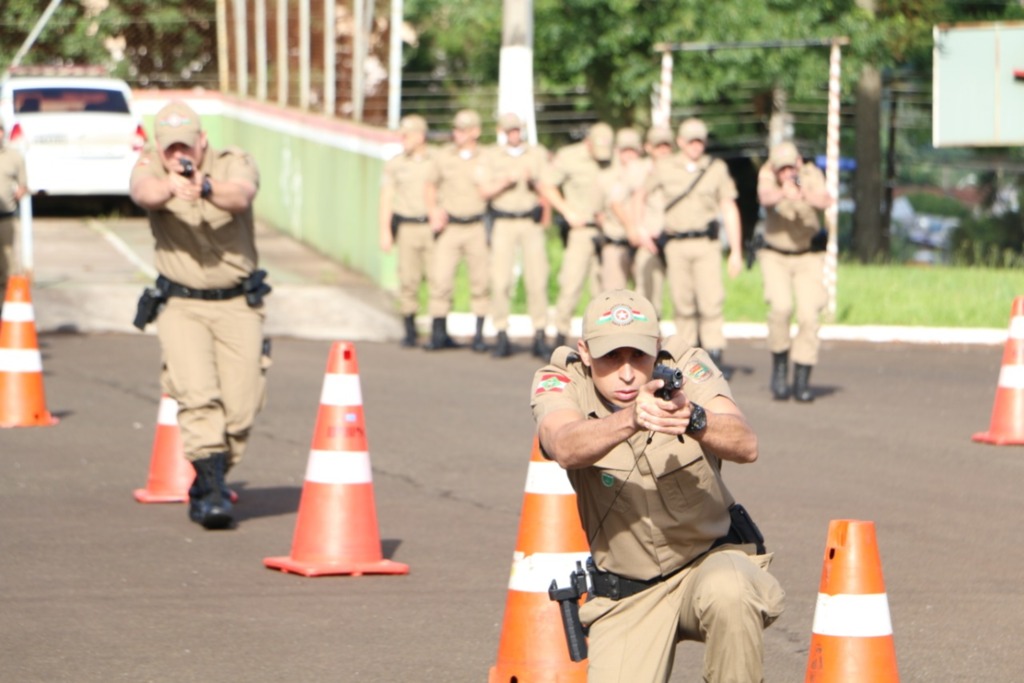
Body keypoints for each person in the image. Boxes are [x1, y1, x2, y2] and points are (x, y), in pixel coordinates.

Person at [531, 288, 784, 683]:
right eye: (611, 357)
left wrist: (695, 418)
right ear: (584, 352)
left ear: (658, 347)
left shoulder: (686, 365)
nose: (628, 372)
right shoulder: (560, 380)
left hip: (707, 564)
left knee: (733, 590)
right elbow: (563, 444)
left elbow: (746, 444)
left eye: (638, 356)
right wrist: (630, 418)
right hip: (628, 593)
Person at [130, 100, 270, 530]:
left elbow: (242, 196)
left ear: (202, 141)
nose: (178, 155)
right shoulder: (150, 166)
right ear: (158, 145)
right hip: (182, 306)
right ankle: (210, 491)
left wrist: (205, 187)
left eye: (185, 146)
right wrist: (171, 186)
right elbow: (143, 193)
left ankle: (211, 473)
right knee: (196, 393)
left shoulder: (232, 163)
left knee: (243, 405)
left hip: (236, 304)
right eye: (170, 147)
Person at [636, 118, 743, 371]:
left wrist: (736, 250)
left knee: (711, 300)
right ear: (680, 142)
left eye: (700, 140)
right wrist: (640, 229)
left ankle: (714, 355)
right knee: (682, 301)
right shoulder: (665, 167)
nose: (697, 145)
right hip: (676, 243)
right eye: (691, 140)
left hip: (707, 243)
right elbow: (641, 195)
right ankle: (688, 358)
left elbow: (729, 207)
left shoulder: (715, 168)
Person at [756, 141, 833, 402]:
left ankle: (802, 379)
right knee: (781, 308)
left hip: (808, 256)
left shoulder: (812, 175)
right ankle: (779, 370)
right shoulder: (767, 173)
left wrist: (803, 194)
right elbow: (764, 197)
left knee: (809, 316)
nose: (787, 172)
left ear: (799, 162)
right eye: (783, 169)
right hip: (775, 254)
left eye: (791, 167)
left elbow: (825, 200)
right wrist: (782, 193)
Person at [480, 112, 551, 359]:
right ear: (502, 131)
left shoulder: (536, 153)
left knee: (537, 279)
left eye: (517, 130)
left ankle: (540, 334)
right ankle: (501, 334)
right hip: (503, 220)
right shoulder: (492, 156)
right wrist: (504, 182)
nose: (514, 134)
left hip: (529, 221)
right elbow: (484, 191)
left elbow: (548, 186)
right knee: (500, 280)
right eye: (509, 130)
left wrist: (537, 190)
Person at [537, 122, 614, 348]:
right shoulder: (569, 157)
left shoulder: (614, 158)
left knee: (603, 290)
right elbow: (546, 184)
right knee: (570, 285)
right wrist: (567, 211)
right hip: (581, 230)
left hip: (607, 231)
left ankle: (602, 342)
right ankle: (560, 337)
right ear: (587, 142)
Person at [424, 109, 490, 352]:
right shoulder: (444, 157)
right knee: (440, 280)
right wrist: (433, 210)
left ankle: (480, 336)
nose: (457, 134)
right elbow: (430, 185)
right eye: (455, 129)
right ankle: (438, 334)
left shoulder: (487, 157)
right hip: (450, 226)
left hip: (476, 225)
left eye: (463, 130)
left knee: (480, 281)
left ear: (476, 132)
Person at [379, 114, 434, 348]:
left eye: (406, 135)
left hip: (432, 229)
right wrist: (384, 230)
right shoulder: (396, 164)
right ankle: (409, 327)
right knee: (408, 279)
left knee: (438, 279)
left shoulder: (437, 160)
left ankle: (438, 329)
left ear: (420, 136)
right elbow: (386, 198)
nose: (402, 139)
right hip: (407, 227)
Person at [595, 128, 646, 291]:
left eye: (633, 150)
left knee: (645, 298)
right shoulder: (605, 177)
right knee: (613, 298)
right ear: (617, 151)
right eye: (625, 150)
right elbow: (599, 212)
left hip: (642, 244)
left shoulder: (648, 173)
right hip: (615, 241)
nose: (629, 155)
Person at [632, 126, 674, 315]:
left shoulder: (678, 169)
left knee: (682, 295)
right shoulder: (637, 169)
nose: (664, 150)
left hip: (674, 237)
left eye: (667, 145)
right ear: (649, 147)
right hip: (649, 240)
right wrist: (638, 230)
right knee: (646, 295)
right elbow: (622, 200)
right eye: (659, 146)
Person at [0, 121, 28, 307]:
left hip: (5, 216)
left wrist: (20, 191)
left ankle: (7, 307)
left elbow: (23, 185)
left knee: (8, 262)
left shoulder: (14, 157)